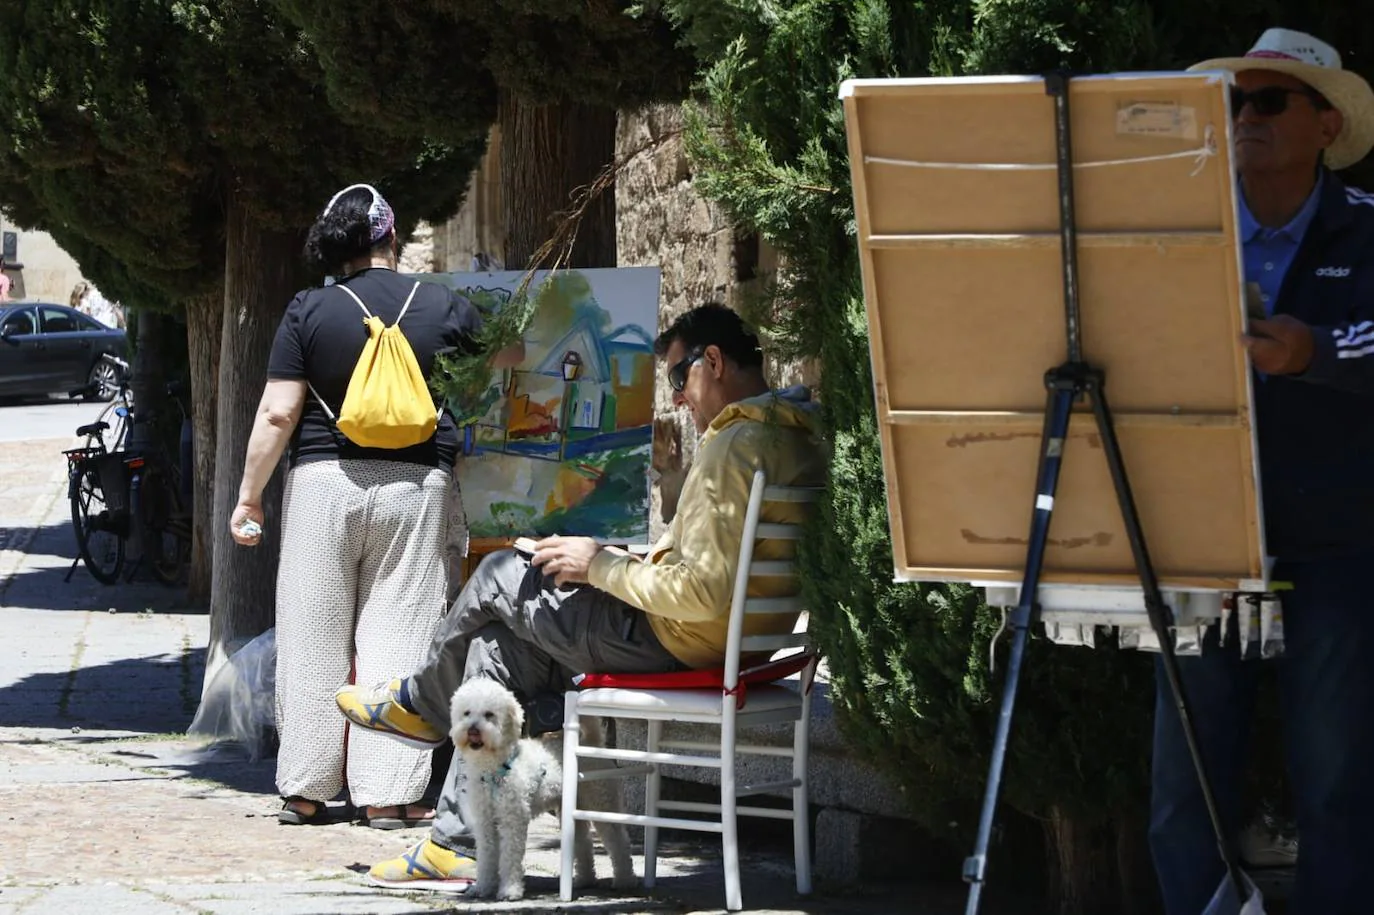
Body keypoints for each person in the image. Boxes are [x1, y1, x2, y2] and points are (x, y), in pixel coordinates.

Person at [331, 302, 827, 890]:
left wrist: (599, 566)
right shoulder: (796, 439)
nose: (677, 399)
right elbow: (718, 574)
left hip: (675, 641)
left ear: (713, 361)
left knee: (495, 572)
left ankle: (421, 705)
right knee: (494, 651)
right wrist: (624, 563)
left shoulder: (734, 446)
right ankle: (455, 845)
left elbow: (702, 591)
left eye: (676, 378)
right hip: (732, 646)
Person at [1148, 29, 1374, 914]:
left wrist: (1314, 351)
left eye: (1270, 100)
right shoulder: (1176, 224)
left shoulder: (1368, 224)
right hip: (1198, 537)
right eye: (1236, 102)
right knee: (1183, 786)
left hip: (1338, 537)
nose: (1247, 117)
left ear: (1326, 124)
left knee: (1337, 783)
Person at [230, 183, 521, 829]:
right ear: (393, 237)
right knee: (399, 636)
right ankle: (386, 794)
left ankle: (304, 790)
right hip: (416, 486)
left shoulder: (309, 308)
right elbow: (510, 354)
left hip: (322, 484)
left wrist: (250, 497)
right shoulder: (444, 303)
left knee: (313, 637)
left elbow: (279, 411)